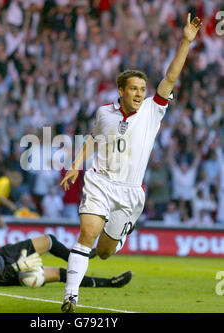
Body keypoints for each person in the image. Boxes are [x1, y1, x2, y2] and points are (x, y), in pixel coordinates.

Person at [59, 14, 202, 312]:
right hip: (100, 181)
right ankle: (70, 297)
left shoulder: (153, 110)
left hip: (130, 192)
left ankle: (120, 234)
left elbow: (171, 77)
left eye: (142, 89)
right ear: (121, 91)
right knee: (86, 234)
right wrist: (76, 165)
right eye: (134, 89)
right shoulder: (104, 113)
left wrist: (186, 41)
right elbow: (94, 139)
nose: (140, 93)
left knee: (105, 252)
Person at [0, 206, 132, 289]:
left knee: (49, 240)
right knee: (59, 273)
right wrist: (19, 267)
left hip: (0, 255)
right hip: (6, 271)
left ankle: (82, 256)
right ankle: (109, 283)